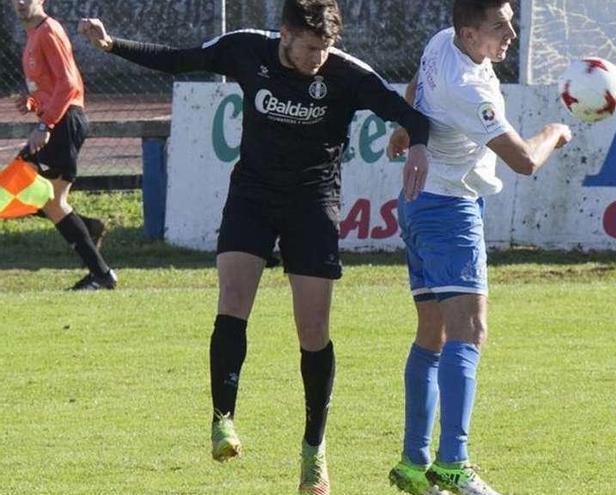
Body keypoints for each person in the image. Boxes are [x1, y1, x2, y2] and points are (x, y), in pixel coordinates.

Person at [78, 1, 430, 493]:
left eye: (326, 48)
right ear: (285, 34)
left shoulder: (347, 74)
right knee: (233, 302)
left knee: (312, 330)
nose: (319, 59)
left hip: (312, 203)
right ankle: (223, 418)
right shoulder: (246, 48)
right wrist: (113, 44)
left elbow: (410, 114)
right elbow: (181, 59)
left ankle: (314, 451)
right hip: (253, 197)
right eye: (311, 48)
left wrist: (413, 139)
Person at [385, 1, 572, 494]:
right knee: (469, 330)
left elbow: (414, 92)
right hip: (449, 210)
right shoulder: (469, 89)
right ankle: (453, 463)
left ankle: (412, 462)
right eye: (499, 26)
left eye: (510, 19)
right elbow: (525, 161)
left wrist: (407, 127)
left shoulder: (440, 43)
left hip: (419, 202)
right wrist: (556, 131)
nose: (511, 32)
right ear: (469, 34)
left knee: (432, 334)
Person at [12, 0, 115, 291]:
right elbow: (53, 86)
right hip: (58, 121)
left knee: (41, 197)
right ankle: (88, 235)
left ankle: (101, 274)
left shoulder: (48, 31)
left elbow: (69, 85)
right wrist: (33, 102)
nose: (20, 2)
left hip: (63, 123)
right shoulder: (33, 34)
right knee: (39, 197)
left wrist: (46, 125)